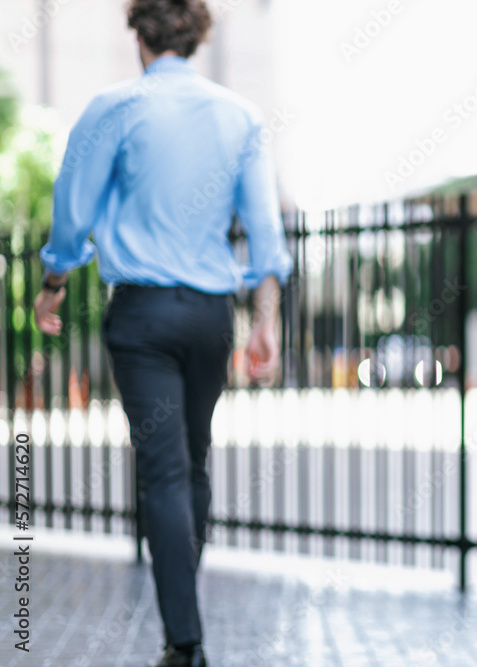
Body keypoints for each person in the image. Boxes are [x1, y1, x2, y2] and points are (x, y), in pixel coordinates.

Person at [32, 1, 292, 665]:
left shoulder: (113, 108)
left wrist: (55, 281)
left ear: (138, 35)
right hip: (211, 315)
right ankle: (184, 612)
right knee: (191, 461)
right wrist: (266, 318)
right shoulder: (239, 116)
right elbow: (265, 228)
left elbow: (72, 209)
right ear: (198, 37)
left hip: (143, 316)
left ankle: (185, 641)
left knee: (165, 472)